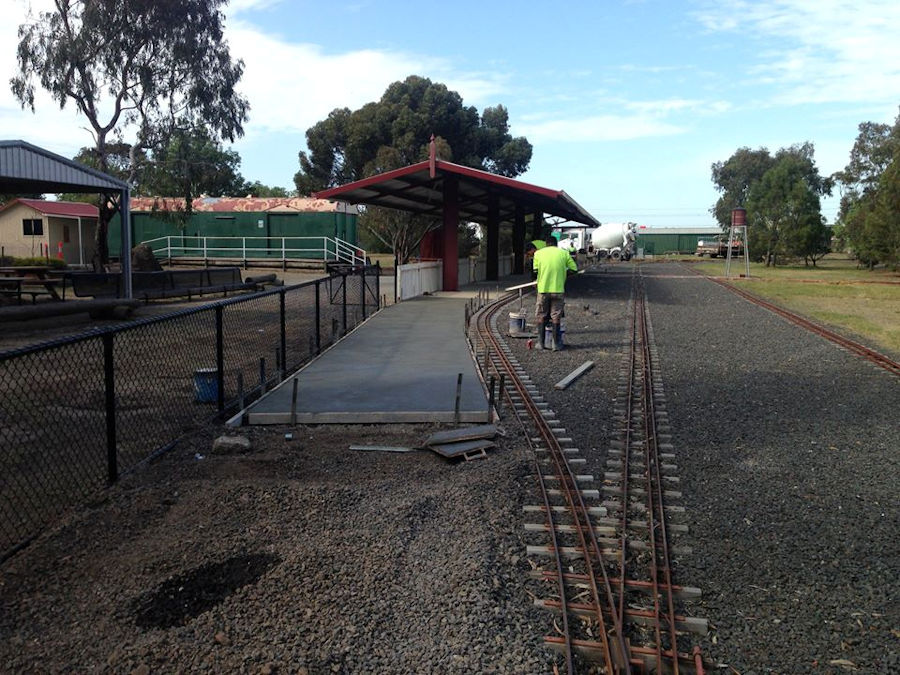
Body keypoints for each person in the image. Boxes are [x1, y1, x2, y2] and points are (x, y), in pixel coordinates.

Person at [532, 235, 577, 350]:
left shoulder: (538, 254)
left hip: (543, 290)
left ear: (546, 244)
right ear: (556, 244)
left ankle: (541, 343)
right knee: (556, 316)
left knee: (541, 315)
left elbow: (535, 271)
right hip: (558, 290)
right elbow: (574, 269)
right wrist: (564, 274)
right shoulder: (564, 253)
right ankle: (556, 344)